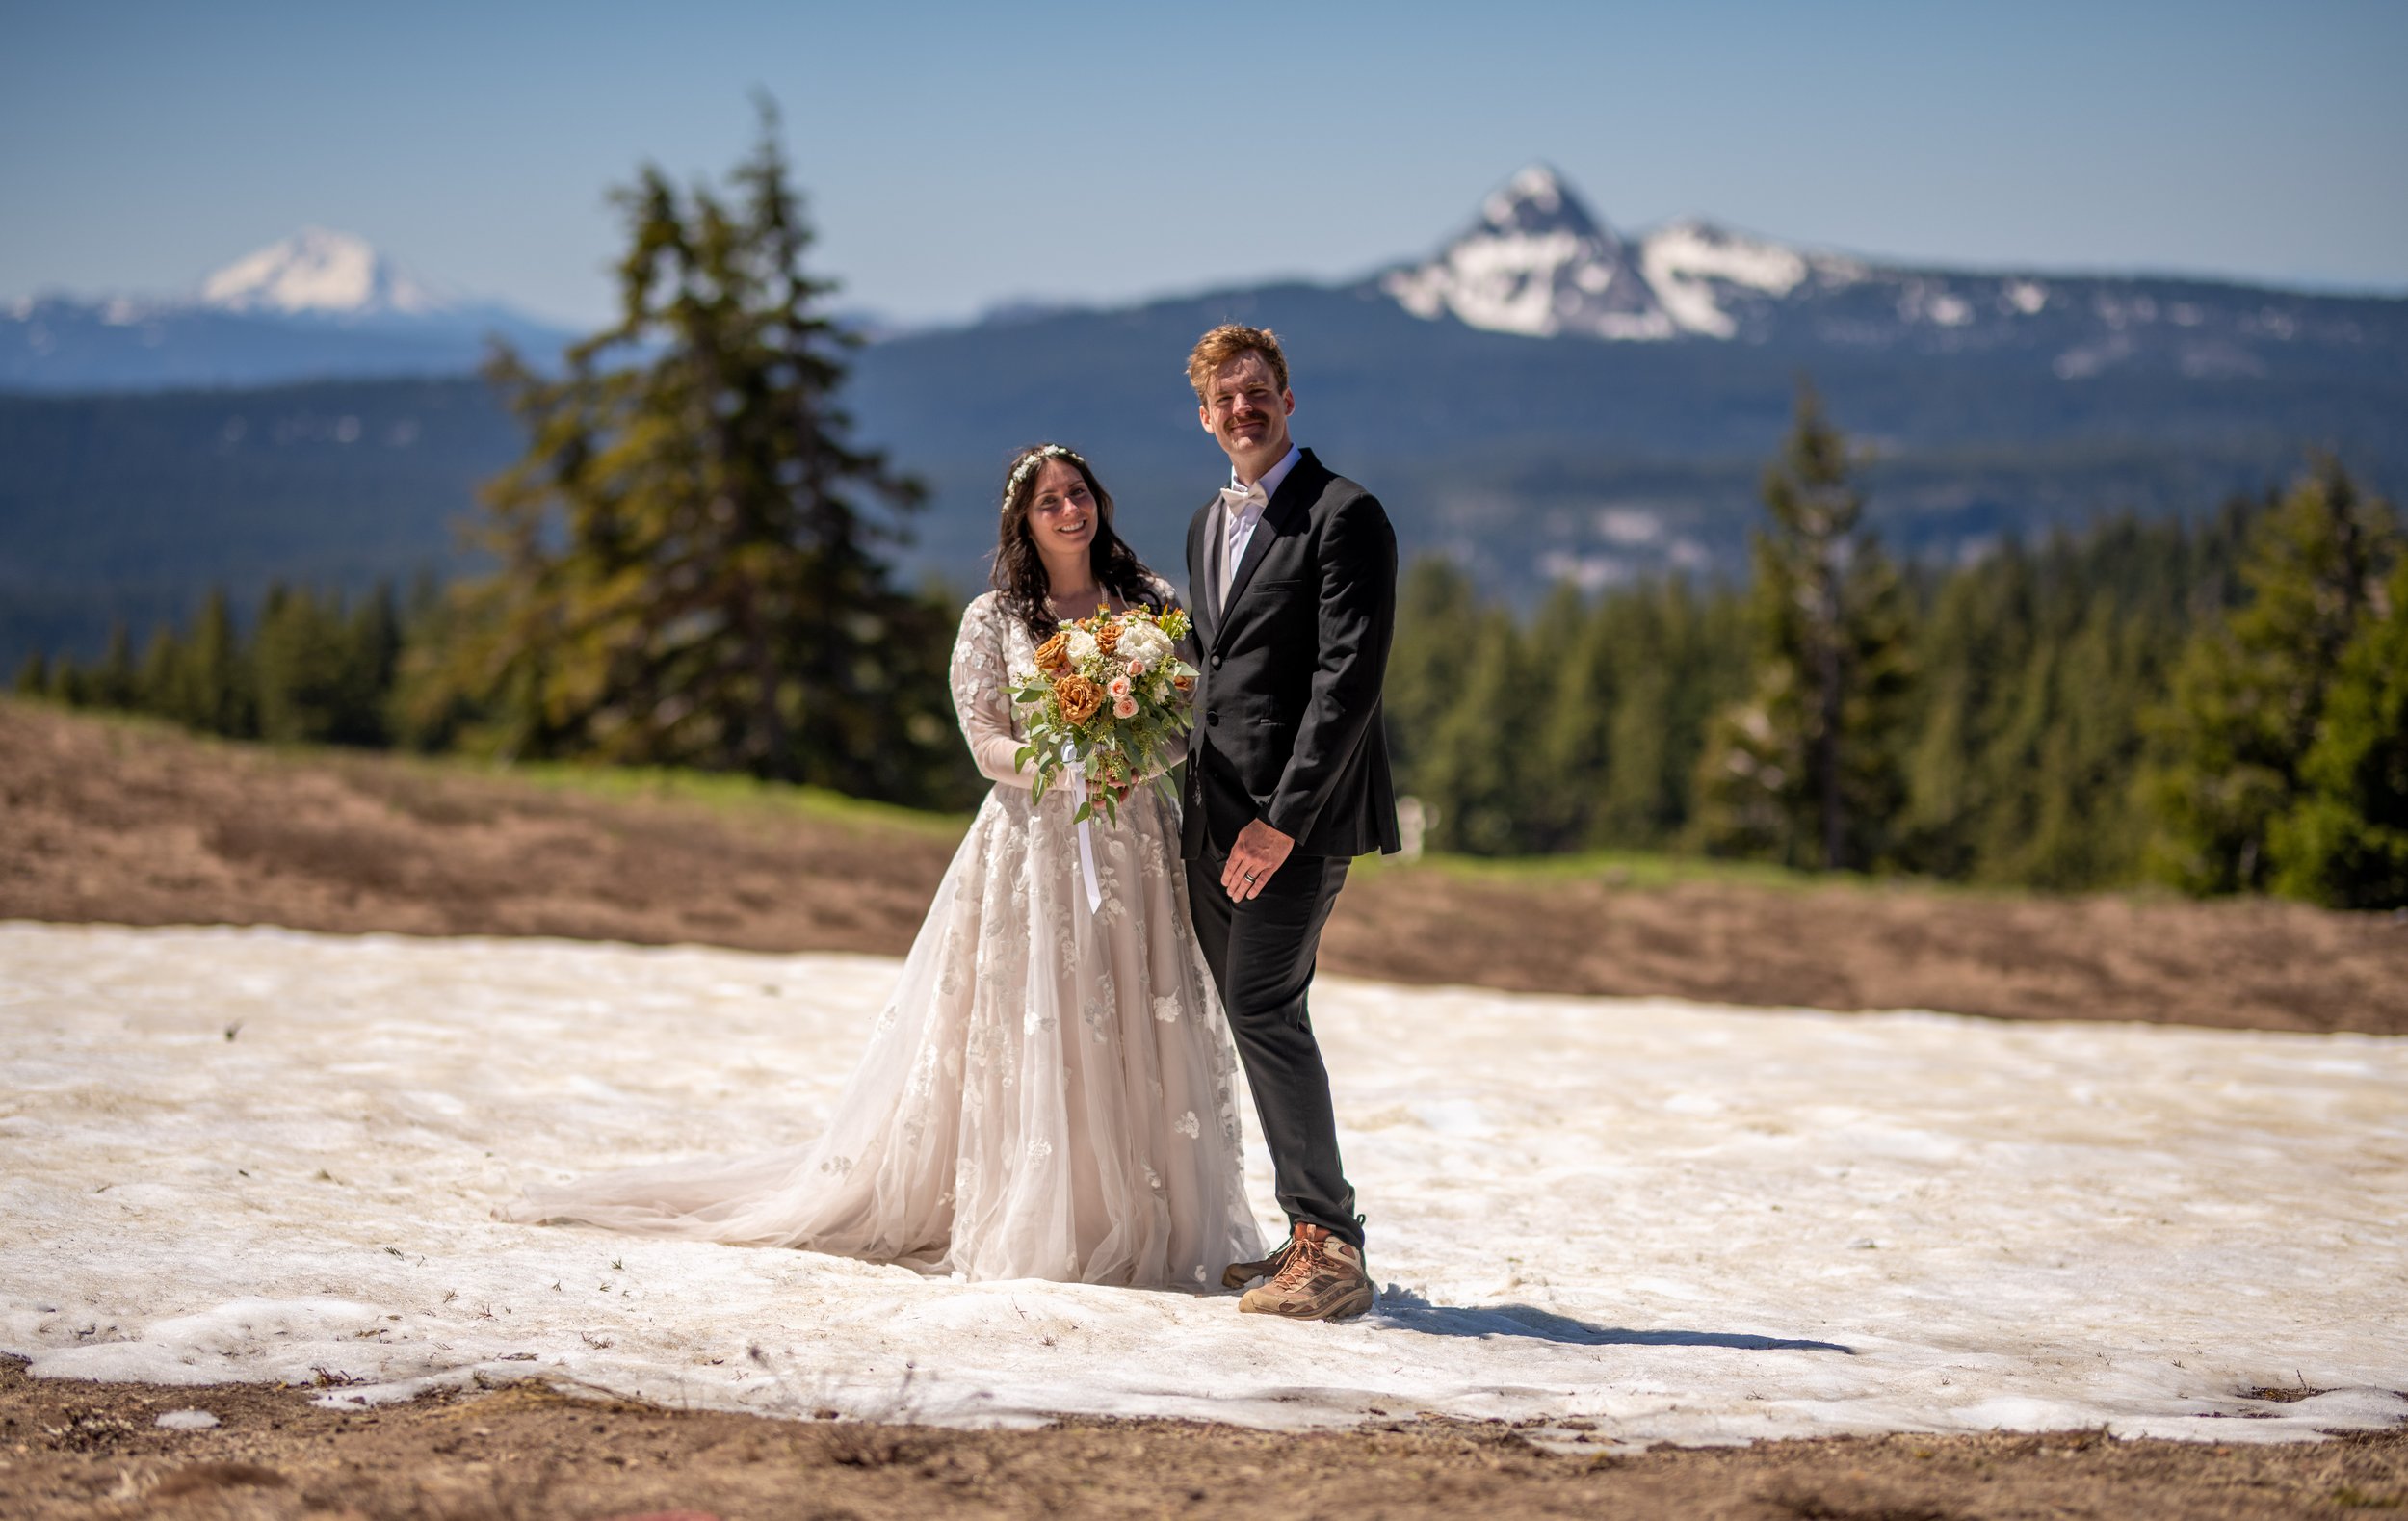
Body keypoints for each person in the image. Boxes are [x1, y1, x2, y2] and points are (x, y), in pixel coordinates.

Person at [504, 443, 1264, 1290]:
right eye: (1048, 501)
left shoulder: (1150, 602)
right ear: (1023, 521)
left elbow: (1183, 716)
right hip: (1034, 848)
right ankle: (1062, 1212)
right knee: (1046, 1017)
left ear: (1100, 502)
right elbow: (985, 743)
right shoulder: (994, 619)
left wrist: (1132, 760)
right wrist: (1066, 767)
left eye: (1078, 494)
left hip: (1136, 842)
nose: (1068, 511)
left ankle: (1151, 1210)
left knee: (1135, 1011)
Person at [1181, 325, 1400, 1321]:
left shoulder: (1346, 515)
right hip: (1211, 822)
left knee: (1265, 1006)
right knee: (1254, 1011)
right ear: (1204, 414)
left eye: (1258, 390)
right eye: (1226, 397)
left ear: (1288, 399)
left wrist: (1282, 822)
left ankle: (1332, 1246)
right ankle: (1306, 1229)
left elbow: (1344, 685)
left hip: (1292, 825)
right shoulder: (1204, 524)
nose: (1243, 408)